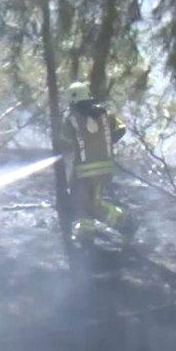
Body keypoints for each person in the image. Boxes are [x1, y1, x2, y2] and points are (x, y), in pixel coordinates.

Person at [59, 80, 133, 247]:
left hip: (85, 171)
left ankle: (125, 223)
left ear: (72, 101)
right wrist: (106, 142)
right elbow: (121, 129)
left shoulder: (72, 119)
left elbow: (64, 140)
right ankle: (85, 234)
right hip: (104, 169)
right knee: (85, 202)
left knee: (91, 204)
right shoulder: (106, 115)